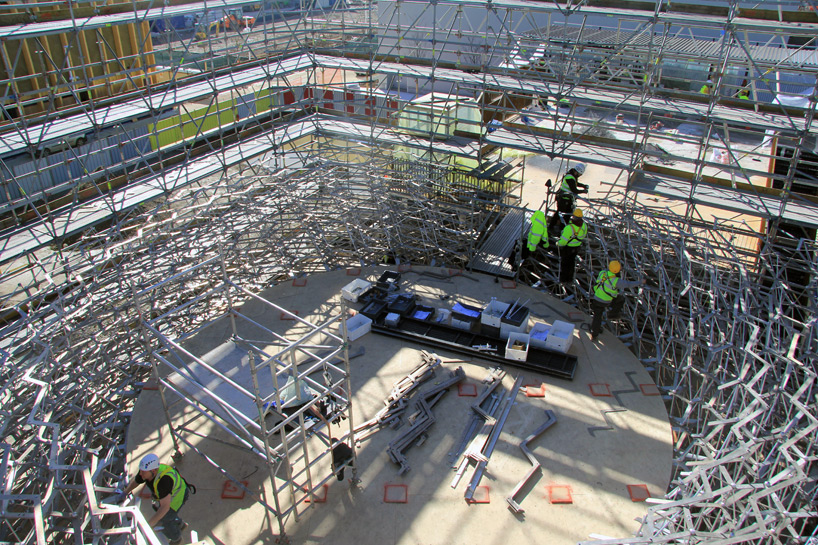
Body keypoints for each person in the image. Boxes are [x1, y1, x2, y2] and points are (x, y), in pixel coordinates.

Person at [122, 453, 191, 545]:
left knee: (164, 520)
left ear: (153, 471)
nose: (141, 474)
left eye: (143, 472)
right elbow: (136, 481)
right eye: (141, 471)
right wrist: (125, 492)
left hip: (177, 497)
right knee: (162, 514)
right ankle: (180, 524)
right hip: (167, 495)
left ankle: (177, 539)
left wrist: (146, 526)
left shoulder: (164, 481)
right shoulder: (146, 472)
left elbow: (165, 508)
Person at [590, 260, 646, 341]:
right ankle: (612, 314)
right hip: (607, 301)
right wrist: (641, 282)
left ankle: (594, 334)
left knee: (597, 317)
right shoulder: (616, 281)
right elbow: (628, 284)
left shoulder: (602, 273)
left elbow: (607, 272)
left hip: (597, 299)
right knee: (620, 299)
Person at [548, 163, 588, 234]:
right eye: (580, 174)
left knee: (567, 213)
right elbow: (574, 190)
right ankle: (552, 227)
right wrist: (583, 191)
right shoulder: (570, 177)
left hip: (567, 198)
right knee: (560, 213)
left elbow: (575, 183)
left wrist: (583, 186)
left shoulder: (571, 175)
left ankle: (563, 227)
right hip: (563, 198)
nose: (580, 176)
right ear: (578, 172)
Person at [556, 208, 587, 283]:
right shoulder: (584, 225)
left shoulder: (569, 228)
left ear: (573, 216)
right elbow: (583, 236)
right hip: (577, 247)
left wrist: (557, 243)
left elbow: (563, 242)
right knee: (572, 263)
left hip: (568, 248)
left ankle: (563, 279)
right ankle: (570, 279)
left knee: (565, 264)